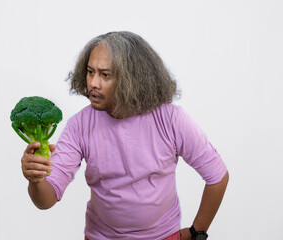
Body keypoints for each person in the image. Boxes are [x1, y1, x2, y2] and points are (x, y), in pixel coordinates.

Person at [21, 31, 229, 240]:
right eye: (90, 72)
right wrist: (36, 179)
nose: (93, 83)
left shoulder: (170, 119)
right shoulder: (79, 125)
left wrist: (197, 233)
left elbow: (217, 176)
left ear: (132, 79)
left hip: (163, 236)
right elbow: (46, 200)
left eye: (105, 75)